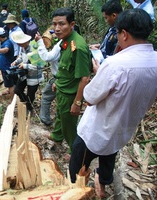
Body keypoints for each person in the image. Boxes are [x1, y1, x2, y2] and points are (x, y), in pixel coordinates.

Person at [69, 9, 157, 198]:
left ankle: (75, 190)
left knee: (77, 164)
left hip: (95, 130)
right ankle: (104, 182)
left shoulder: (116, 64)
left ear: (124, 34)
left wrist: (99, 72)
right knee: (109, 154)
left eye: (117, 33)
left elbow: (91, 97)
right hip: (123, 128)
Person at [49, 8, 92, 154]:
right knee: (60, 117)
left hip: (70, 95)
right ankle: (57, 137)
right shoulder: (65, 41)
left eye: (62, 24)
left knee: (70, 128)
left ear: (72, 24)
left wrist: (77, 102)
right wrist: (57, 81)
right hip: (62, 89)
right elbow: (65, 67)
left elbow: (84, 78)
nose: (57, 28)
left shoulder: (78, 47)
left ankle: (77, 155)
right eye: (54, 24)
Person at [10, 31, 44, 113]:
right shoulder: (23, 47)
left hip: (34, 76)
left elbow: (39, 66)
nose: (19, 45)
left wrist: (25, 66)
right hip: (24, 74)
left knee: (30, 95)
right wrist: (16, 62)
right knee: (17, 90)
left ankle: (29, 108)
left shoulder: (34, 49)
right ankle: (26, 103)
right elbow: (21, 56)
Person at [35, 30, 62, 126]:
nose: (53, 35)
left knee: (46, 97)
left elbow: (47, 57)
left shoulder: (60, 45)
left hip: (59, 78)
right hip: (60, 77)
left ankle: (45, 119)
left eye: (53, 33)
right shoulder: (63, 43)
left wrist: (40, 42)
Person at [0, 27, 16, 101]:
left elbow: (6, 50)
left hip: (7, 67)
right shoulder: (4, 42)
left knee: (11, 85)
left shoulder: (7, 43)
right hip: (4, 67)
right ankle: (9, 91)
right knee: (8, 83)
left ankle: (12, 101)